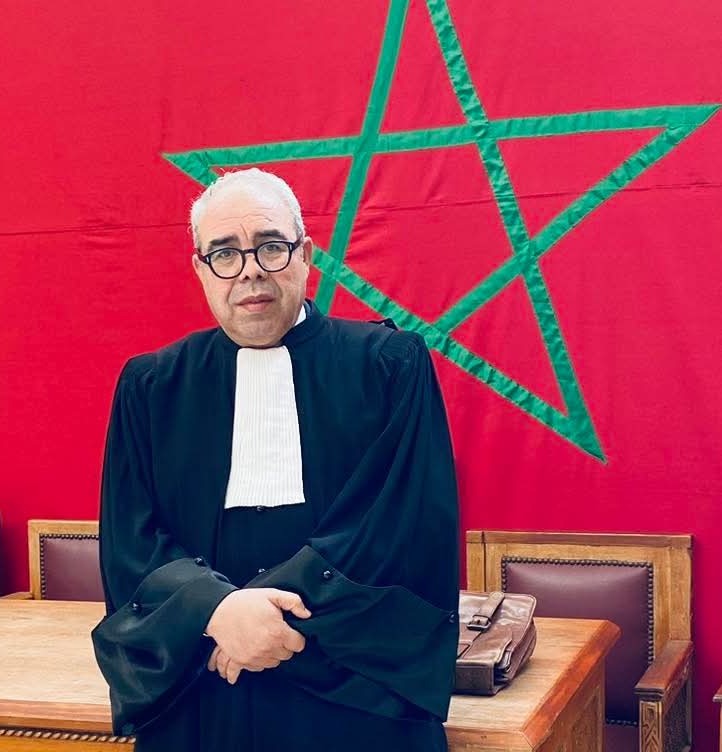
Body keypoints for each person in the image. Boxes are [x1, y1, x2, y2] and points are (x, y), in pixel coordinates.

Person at [91, 168, 459, 752]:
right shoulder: (152, 386)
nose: (250, 271)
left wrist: (262, 623)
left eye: (270, 246)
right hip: (205, 683)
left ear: (305, 255)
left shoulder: (390, 365)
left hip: (355, 691)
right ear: (201, 270)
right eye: (224, 254)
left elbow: (399, 526)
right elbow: (130, 541)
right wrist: (217, 612)